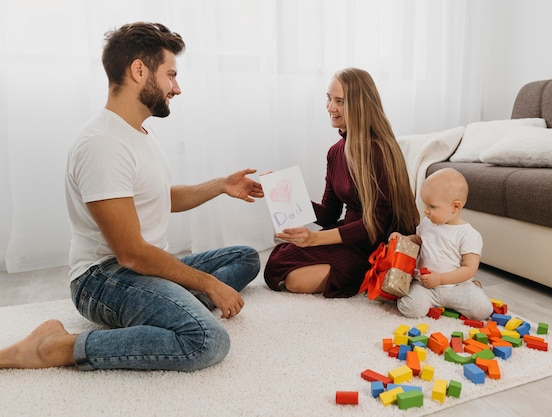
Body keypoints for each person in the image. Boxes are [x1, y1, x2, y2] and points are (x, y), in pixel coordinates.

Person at [0, 22, 263, 372]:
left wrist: (220, 185)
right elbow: (132, 253)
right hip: (103, 278)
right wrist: (208, 285)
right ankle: (58, 346)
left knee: (245, 258)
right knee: (206, 340)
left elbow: (155, 198)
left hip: (142, 269)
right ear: (139, 70)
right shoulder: (102, 144)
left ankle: (166, 307)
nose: (177, 87)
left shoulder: (137, 133)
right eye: (171, 74)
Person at [264, 68, 420, 298]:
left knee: (295, 279)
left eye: (340, 101)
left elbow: (374, 225)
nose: (330, 108)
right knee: (278, 260)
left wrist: (315, 239)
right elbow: (328, 214)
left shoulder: (378, 151)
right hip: (348, 233)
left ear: (360, 105)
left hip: (374, 244)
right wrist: (280, 191)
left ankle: (370, 272)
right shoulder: (335, 152)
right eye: (328, 98)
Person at [390, 167, 493, 320]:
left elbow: (469, 268)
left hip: (456, 287)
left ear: (455, 207)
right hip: (424, 285)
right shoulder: (427, 224)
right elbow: (417, 241)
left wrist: (441, 279)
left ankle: (473, 288)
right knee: (410, 309)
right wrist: (402, 239)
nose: (426, 211)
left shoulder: (468, 234)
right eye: (425, 205)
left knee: (483, 311)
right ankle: (423, 298)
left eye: (432, 206)